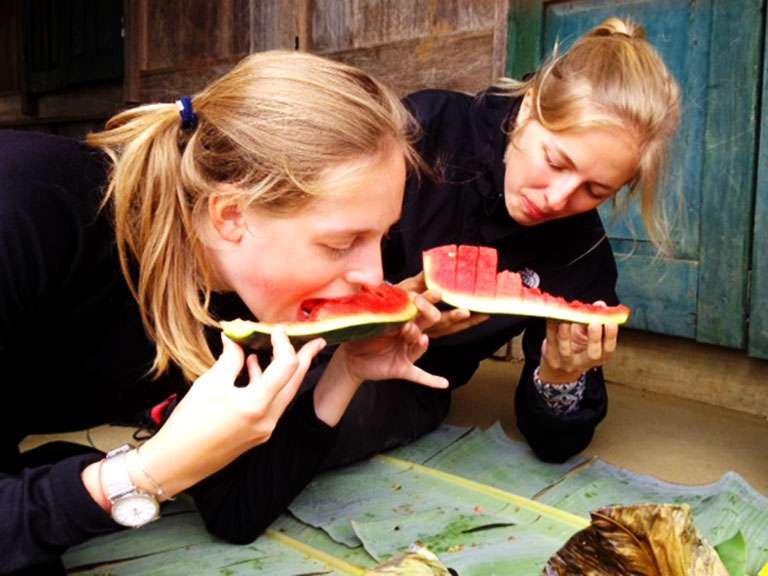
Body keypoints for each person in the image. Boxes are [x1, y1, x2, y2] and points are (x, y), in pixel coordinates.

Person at [0, 51, 449, 574]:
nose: (373, 276)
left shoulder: (233, 295)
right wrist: (141, 474)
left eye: (382, 236)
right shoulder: (28, 208)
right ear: (231, 215)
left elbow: (236, 509)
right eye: (341, 242)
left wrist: (346, 372)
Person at [312, 17, 681, 468]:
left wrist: (561, 374)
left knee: (291, 438)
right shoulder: (424, 130)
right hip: (294, 335)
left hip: (409, 387)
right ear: (529, 108)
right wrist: (383, 314)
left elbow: (555, 444)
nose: (558, 199)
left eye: (595, 191)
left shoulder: (582, 251)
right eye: (556, 161)